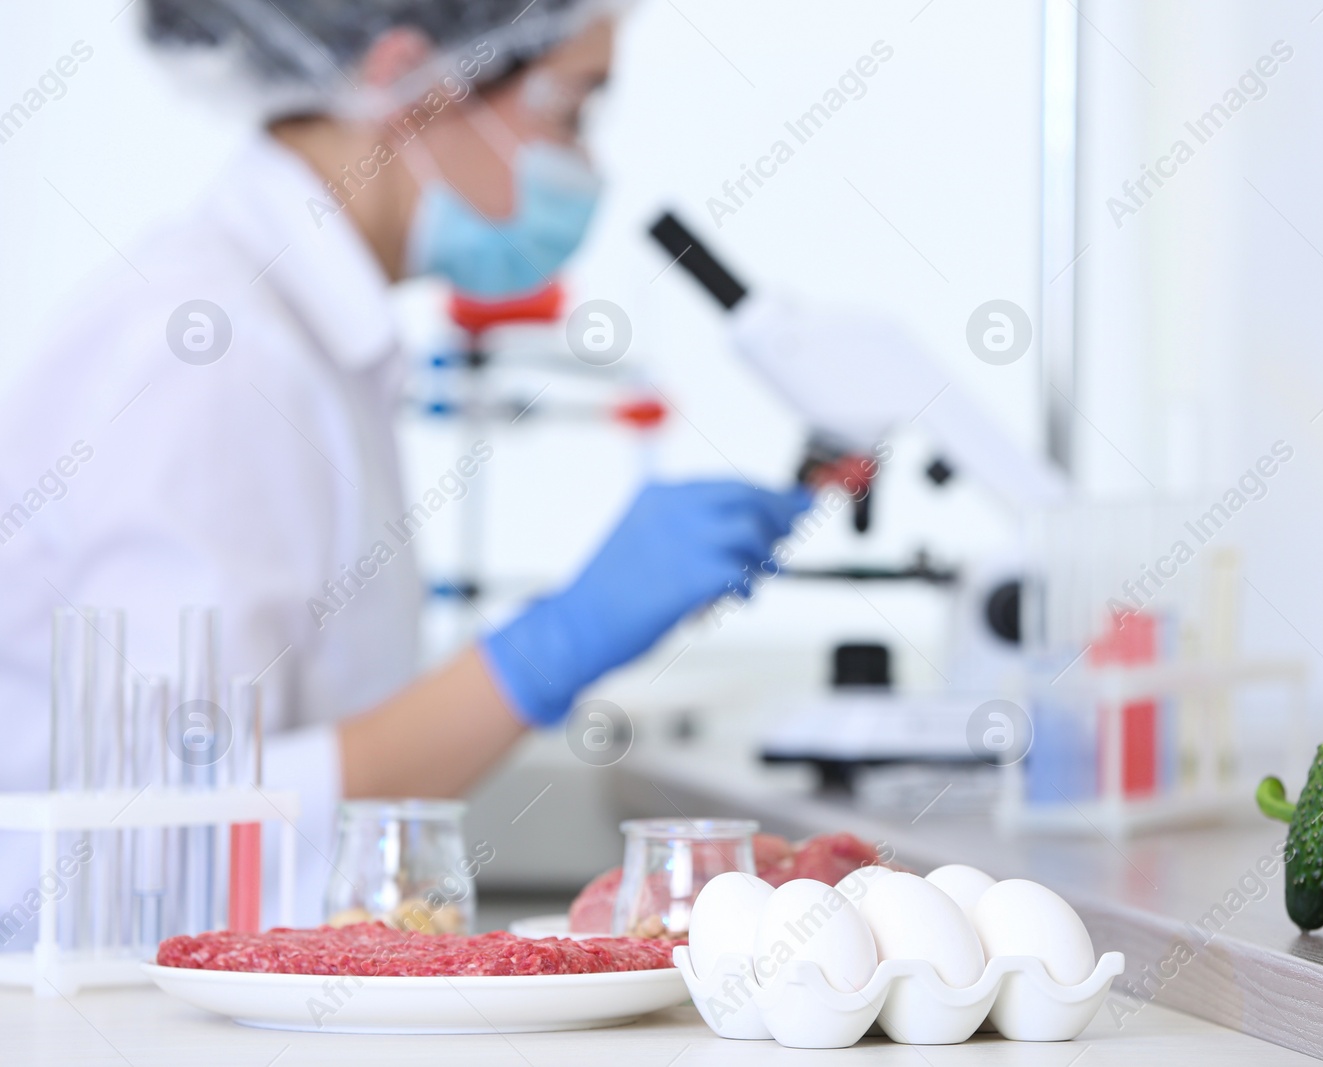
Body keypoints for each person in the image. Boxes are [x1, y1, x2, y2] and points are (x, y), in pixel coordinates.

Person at [0, 0, 808, 930]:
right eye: (572, 109)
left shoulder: (301, 335)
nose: (587, 167)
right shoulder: (213, 349)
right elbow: (175, 829)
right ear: (406, 85)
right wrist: (551, 647)